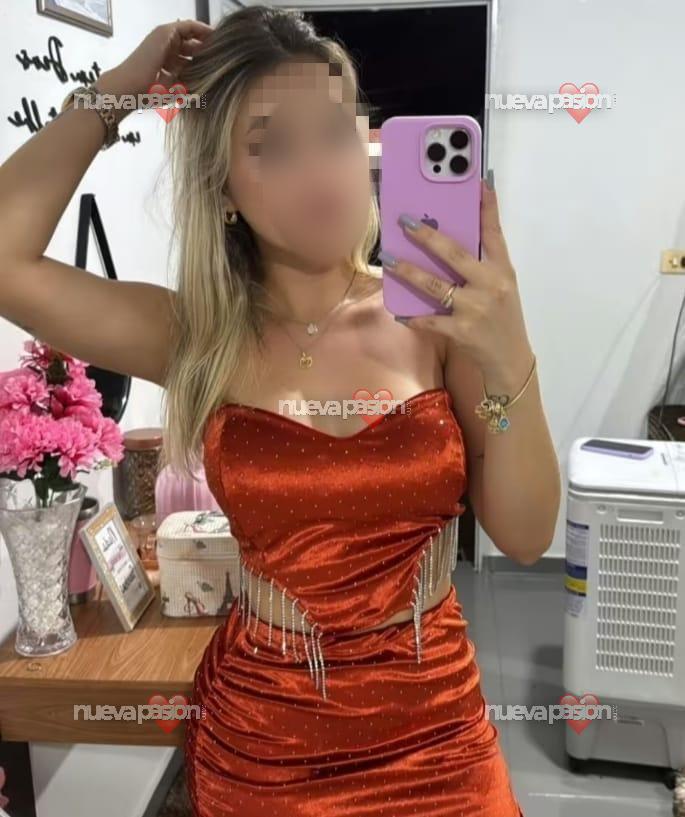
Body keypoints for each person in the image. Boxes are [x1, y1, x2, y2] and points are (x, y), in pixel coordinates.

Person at [0, 5, 561, 815]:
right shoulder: (196, 334)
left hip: (437, 737)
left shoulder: (437, 317)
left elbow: (527, 534)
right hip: (266, 748)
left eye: (335, 132)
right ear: (221, 186)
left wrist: (509, 359)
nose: (318, 171)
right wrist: (121, 86)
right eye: (272, 146)